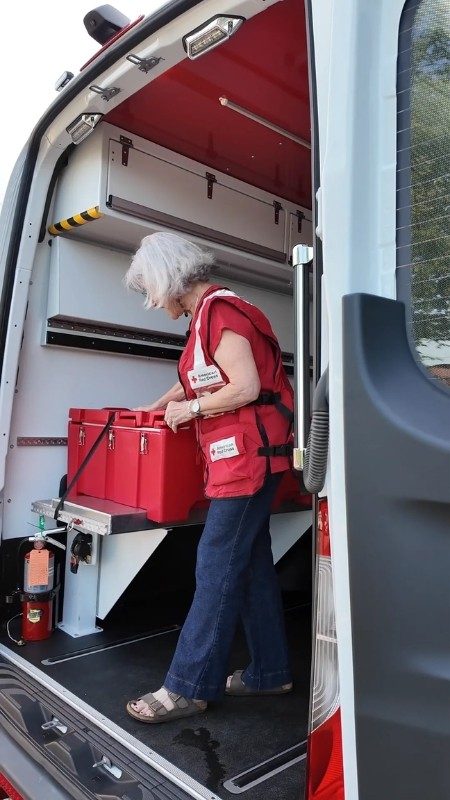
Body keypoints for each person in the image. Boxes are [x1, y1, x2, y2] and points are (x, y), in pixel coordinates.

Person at [124, 231, 295, 723]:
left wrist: (190, 409)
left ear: (167, 280)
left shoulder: (221, 312)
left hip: (248, 464)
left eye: (149, 292)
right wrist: (158, 407)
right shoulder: (204, 321)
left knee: (216, 565)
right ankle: (269, 672)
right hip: (240, 462)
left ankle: (188, 686)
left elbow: (244, 386)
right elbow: (195, 377)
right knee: (251, 565)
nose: (153, 304)